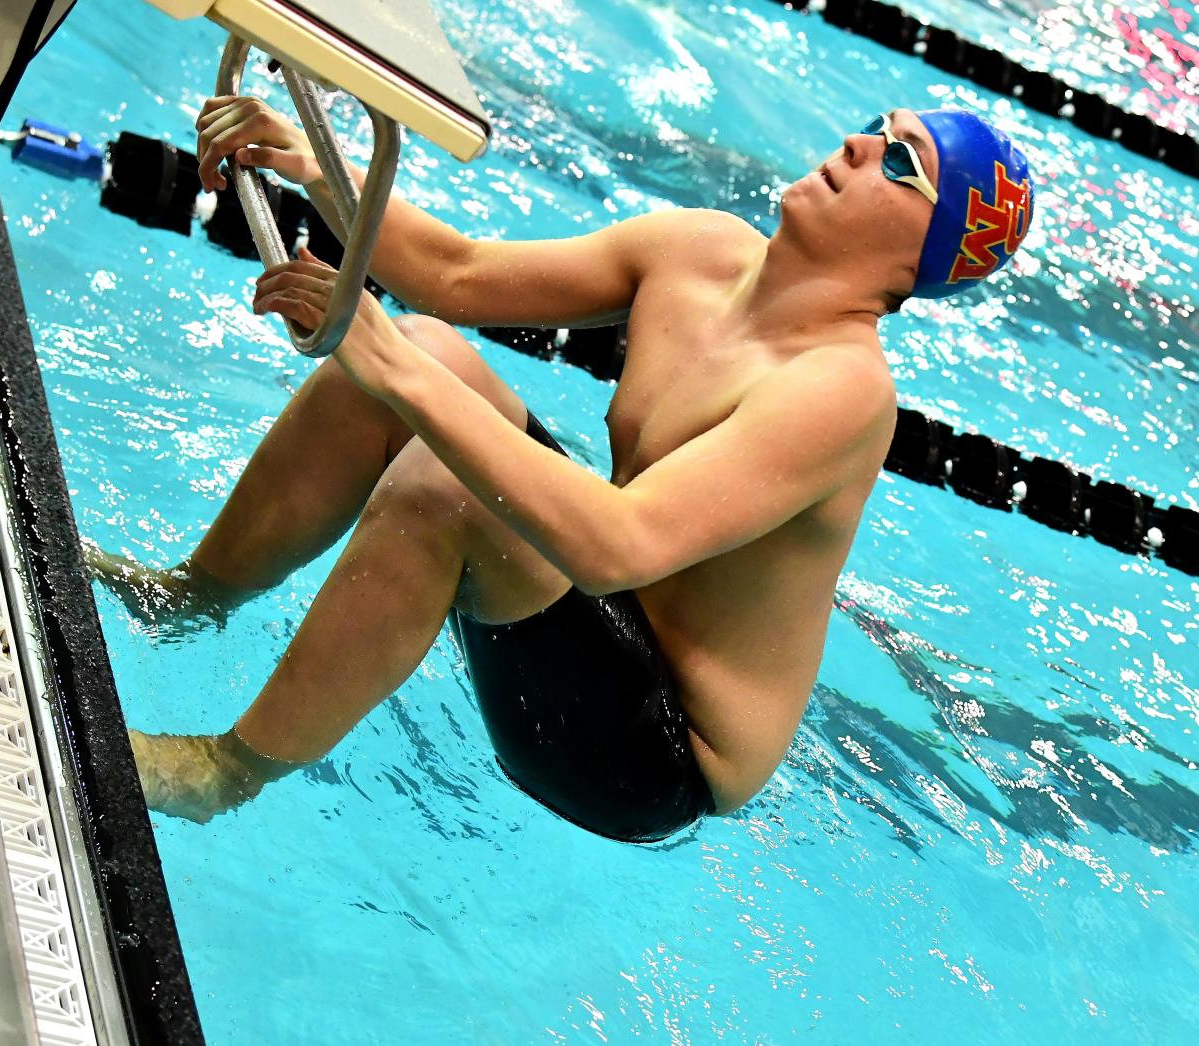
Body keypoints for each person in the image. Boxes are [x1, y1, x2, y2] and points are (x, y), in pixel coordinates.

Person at [89, 99, 1033, 842]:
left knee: (440, 457)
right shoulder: (701, 253)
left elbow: (623, 542)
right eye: (877, 131)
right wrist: (313, 163)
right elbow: (455, 276)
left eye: (901, 166)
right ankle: (189, 600)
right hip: (587, 617)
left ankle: (224, 772)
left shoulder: (841, 392)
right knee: (418, 351)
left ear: (923, 257)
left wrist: (398, 367)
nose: (863, 147)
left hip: (648, 752)